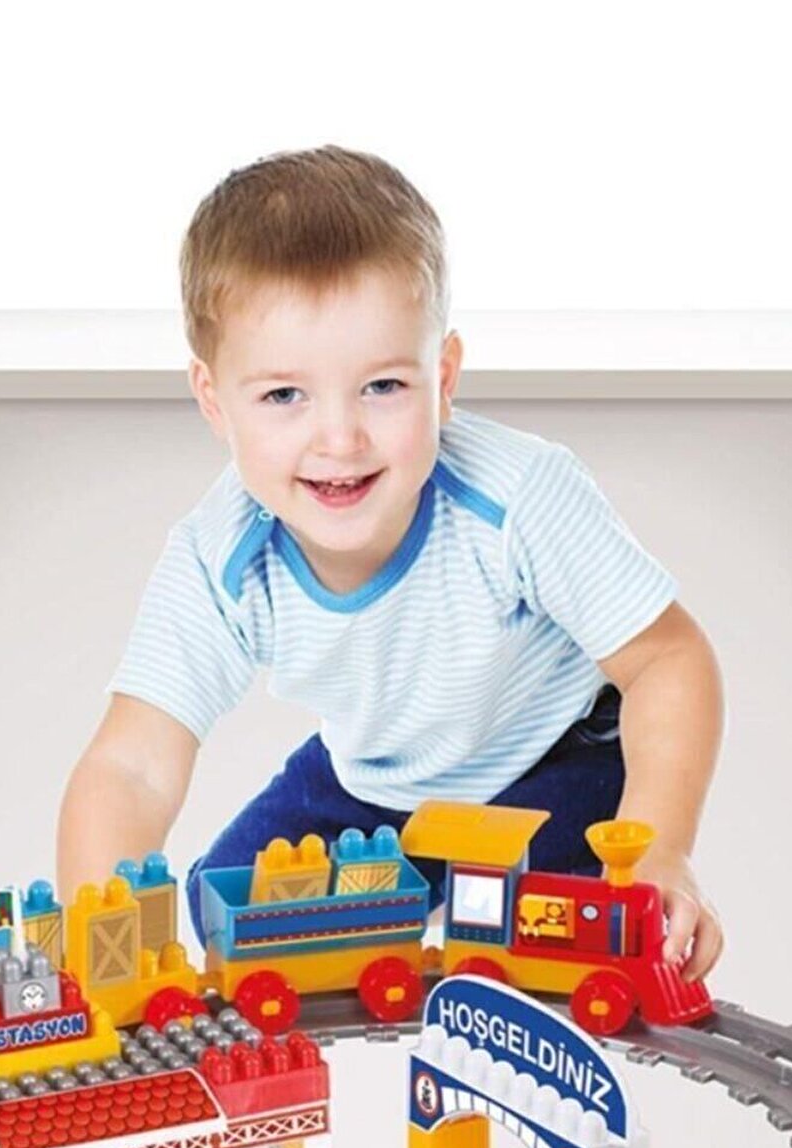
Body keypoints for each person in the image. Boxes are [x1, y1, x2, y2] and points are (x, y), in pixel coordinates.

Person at [58, 146, 724, 979]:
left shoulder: (517, 498)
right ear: (213, 401)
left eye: (382, 387)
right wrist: (100, 944)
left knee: (567, 940)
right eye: (283, 396)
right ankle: (364, 966)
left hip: (553, 762)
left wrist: (662, 848)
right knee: (221, 902)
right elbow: (132, 764)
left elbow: (667, 659)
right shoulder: (217, 557)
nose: (340, 439)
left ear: (442, 379)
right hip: (374, 785)